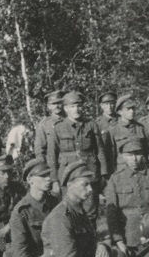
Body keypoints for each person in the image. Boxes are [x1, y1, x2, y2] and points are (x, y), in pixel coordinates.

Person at [47, 91, 110, 219]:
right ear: (65, 108)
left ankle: (91, 238)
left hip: (89, 172)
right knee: (70, 211)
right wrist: (54, 180)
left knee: (91, 210)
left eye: (78, 106)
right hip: (67, 175)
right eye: (72, 106)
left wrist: (103, 174)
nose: (76, 109)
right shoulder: (58, 128)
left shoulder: (91, 125)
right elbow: (52, 155)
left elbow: (100, 150)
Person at [105, 138, 149, 255]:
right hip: (130, 235)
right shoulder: (116, 179)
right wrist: (119, 241)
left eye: (138, 154)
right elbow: (112, 214)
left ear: (144, 155)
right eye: (129, 155)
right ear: (123, 157)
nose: (134, 159)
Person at [9, 158, 59, 257]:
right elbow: (21, 253)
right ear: (30, 180)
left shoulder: (55, 203)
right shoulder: (21, 212)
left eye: (49, 175)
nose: (49, 179)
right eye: (43, 176)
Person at [107, 94, 149, 171]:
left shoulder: (141, 128)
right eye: (128, 109)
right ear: (120, 112)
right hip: (122, 171)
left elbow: (148, 152)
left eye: (133, 108)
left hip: (141, 169)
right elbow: (110, 156)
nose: (132, 111)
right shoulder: (113, 130)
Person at [33, 90, 65, 164]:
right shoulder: (44, 125)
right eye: (53, 104)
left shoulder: (70, 121)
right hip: (53, 164)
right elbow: (39, 150)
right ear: (48, 106)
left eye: (59, 103)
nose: (57, 106)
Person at [95, 91, 118, 180]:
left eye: (112, 103)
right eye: (106, 104)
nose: (109, 107)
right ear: (101, 105)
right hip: (107, 164)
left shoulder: (121, 120)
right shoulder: (97, 123)